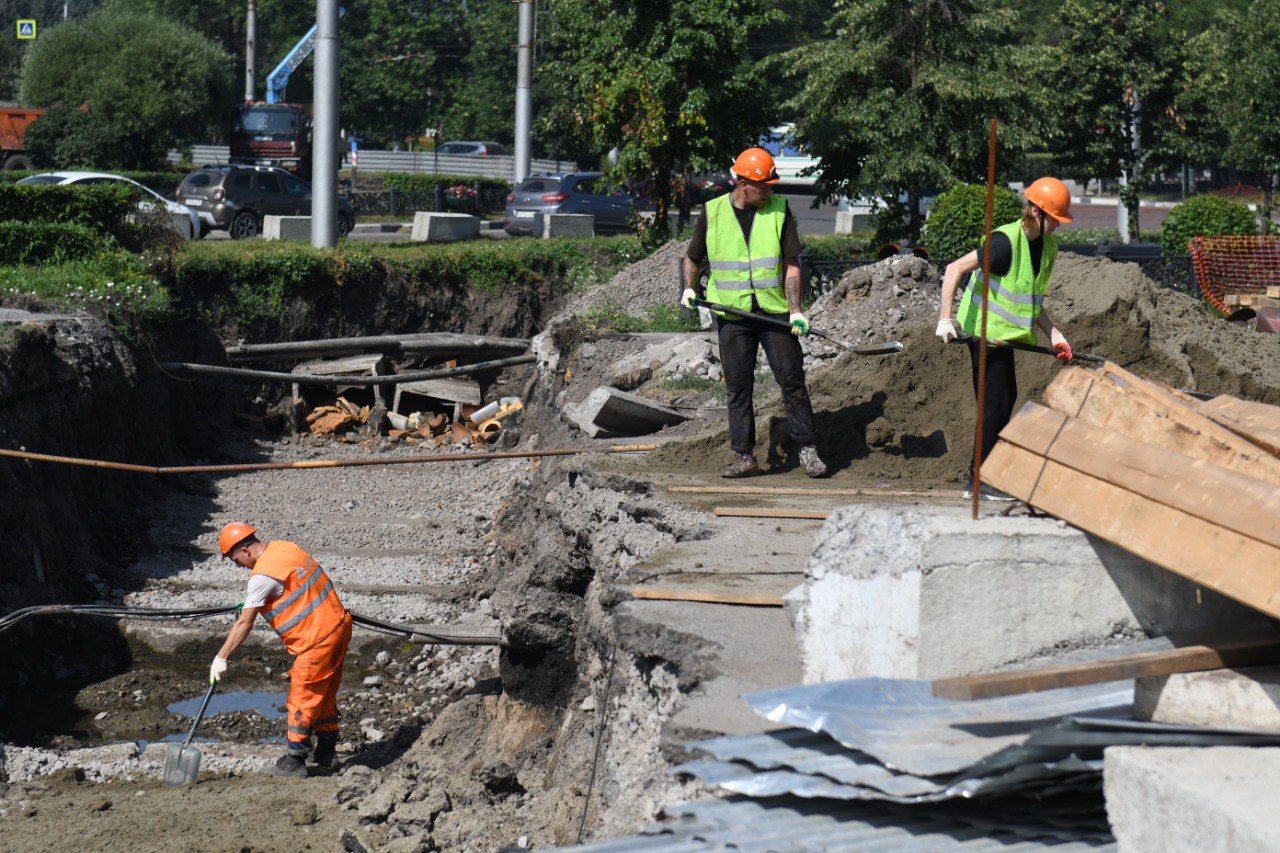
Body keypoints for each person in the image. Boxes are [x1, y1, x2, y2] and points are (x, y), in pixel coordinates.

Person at [680, 147, 827, 479]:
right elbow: (693, 257)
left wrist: (796, 311)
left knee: (791, 379)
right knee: (738, 387)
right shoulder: (713, 211)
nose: (771, 191)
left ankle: (808, 449)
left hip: (773, 312)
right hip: (732, 314)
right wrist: (689, 288)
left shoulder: (780, 211)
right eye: (766, 185)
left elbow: (791, 263)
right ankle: (744, 456)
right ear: (744, 183)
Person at [935, 177, 1075, 500]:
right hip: (983, 332)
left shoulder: (1046, 247)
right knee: (994, 402)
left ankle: (985, 475)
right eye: (1056, 217)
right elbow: (954, 269)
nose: (1059, 225)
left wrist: (1054, 333)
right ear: (1038, 212)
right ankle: (979, 480)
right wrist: (945, 319)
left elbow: (1031, 300)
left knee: (1005, 398)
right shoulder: (1005, 242)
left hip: (1005, 336)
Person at [210, 522, 352, 777]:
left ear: (245, 549)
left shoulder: (261, 577)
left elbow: (245, 623)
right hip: (339, 627)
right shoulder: (283, 548)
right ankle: (326, 754)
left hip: (315, 641)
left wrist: (221, 658)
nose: (238, 566)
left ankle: (295, 761)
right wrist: (254, 602)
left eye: (235, 560)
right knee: (324, 694)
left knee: (302, 697)